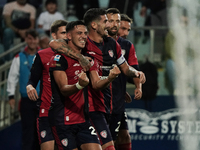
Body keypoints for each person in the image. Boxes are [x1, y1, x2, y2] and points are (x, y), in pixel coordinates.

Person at [49, 8, 146, 150]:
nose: (109, 24)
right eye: (106, 21)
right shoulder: (83, 42)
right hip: (89, 108)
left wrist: (136, 73)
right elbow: (54, 43)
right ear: (94, 25)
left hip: (107, 105)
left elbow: (125, 68)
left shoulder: (112, 44)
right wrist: (81, 57)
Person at [49, 20, 120, 150]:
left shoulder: (88, 58)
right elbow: (63, 90)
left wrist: (110, 77)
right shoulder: (58, 59)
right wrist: (79, 85)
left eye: (85, 33)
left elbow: (97, 83)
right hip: (63, 121)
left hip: (83, 120)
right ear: (69, 36)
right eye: (79, 33)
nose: (83, 36)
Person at [26, 20, 68, 150]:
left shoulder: (76, 55)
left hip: (68, 111)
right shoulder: (42, 55)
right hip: (46, 110)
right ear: (54, 35)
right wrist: (30, 86)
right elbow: (32, 80)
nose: (67, 36)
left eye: (68, 33)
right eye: (63, 33)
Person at [106, 9, 142, 150]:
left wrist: (138, 87)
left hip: (117, 100)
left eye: (128, 30)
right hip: (103, 99)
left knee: (124, 136)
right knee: (109, 140)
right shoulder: (100, 43)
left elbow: (134, 68)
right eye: (123, 29)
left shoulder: (126, 45)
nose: (126, 33)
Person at [7, 29, 40, 150]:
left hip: (42, 100)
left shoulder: (44, 55)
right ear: (26, 40)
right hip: (26, 101)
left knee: (41, 132)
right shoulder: (18, 57)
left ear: (38, 40)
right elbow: (12, 77)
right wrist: (11, 96)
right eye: (30, 39)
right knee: (28, 131)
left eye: (34, 39)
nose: (32, 41)